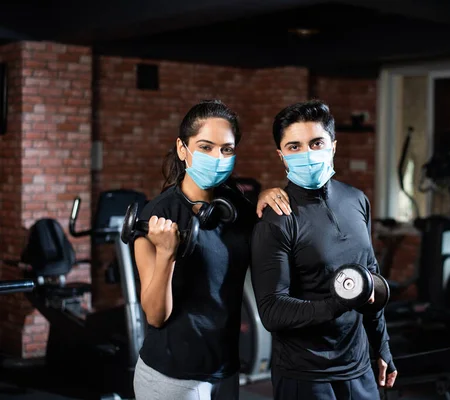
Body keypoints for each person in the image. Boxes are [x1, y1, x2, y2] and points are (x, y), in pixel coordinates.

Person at [131, 99, 284, 400]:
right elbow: (155, 316)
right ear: (181, 148)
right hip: (172, 376)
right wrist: (166, 254)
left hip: (225, 369)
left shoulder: (235, 206)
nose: (217, 156)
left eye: (226, 149)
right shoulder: (157, 217)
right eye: (205, 146)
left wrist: (266, 196)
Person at [251, 100, 397, 399]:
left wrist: (380, 343)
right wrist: (339, 303)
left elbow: (370, 279)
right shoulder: (277, 220)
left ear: (332, 146)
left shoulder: (356, 200)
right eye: (294, 147)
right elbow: (272, 311)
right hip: (306, 375)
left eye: (316, 142)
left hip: (358, 366)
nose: (306, 153)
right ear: (281, 155)